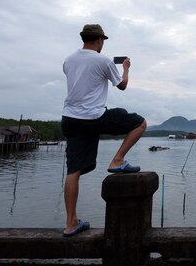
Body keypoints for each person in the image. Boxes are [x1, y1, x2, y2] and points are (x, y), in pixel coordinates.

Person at [61, 24, 147, 237]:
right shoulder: (103, 60)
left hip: (70, 119)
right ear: (99, 40)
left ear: (84, 38)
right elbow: (122, 85)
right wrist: (126, 67)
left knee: (73, 171)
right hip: (94, 117)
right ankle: (118, 159)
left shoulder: (68, 61)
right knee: (140, 123)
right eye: (102, 41)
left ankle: (71, 222)